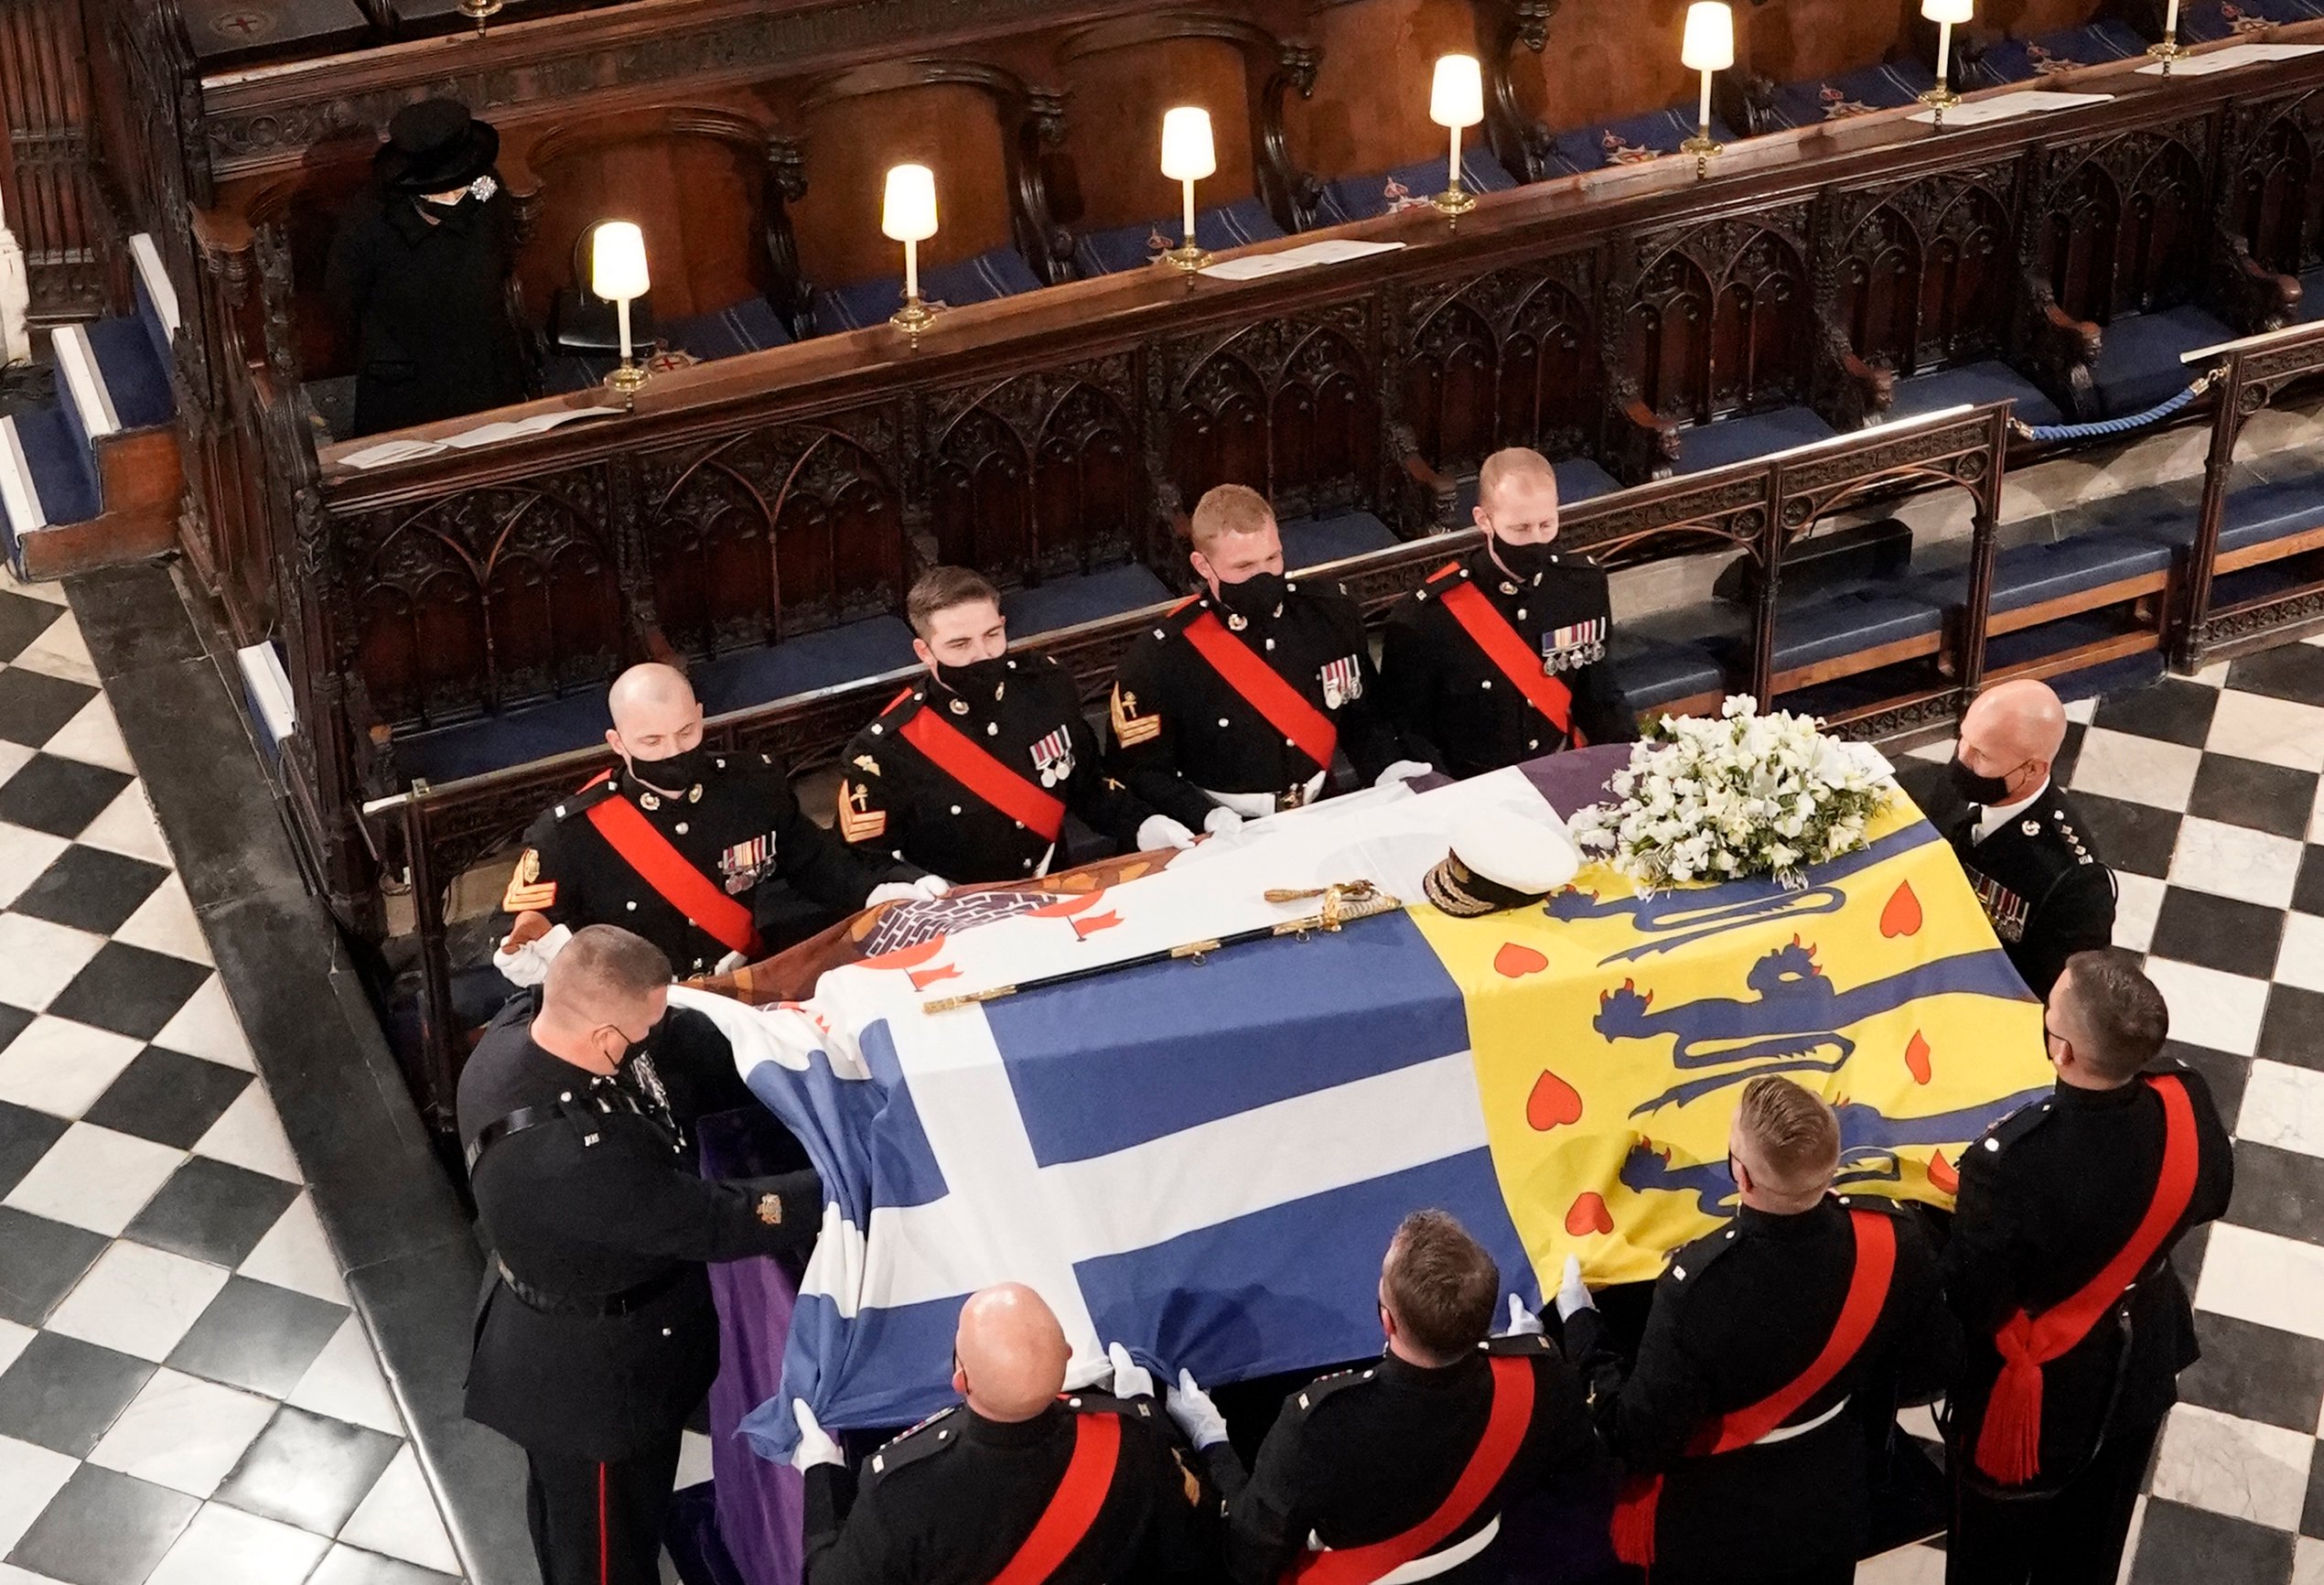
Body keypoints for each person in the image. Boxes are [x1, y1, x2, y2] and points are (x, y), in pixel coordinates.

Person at [459, 925, 822, 1585]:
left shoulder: (525, 1027)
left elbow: (675, 1050)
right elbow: (718, 1222)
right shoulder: (573, 1157)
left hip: (574, 1325)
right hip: (598, 1383)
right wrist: (838, 1184)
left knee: (574, 1521)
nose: (655, 1036)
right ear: (604, 1039)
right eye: (643, 1029)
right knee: (603, 1557)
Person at [1562, 1076, 1953, 1585]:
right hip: (1830, 1504)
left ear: (1740, 1176)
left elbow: (1639, 1436)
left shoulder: (1697, 1290)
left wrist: (1580, 1327)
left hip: (1722, 1529)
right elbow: (1936, 1362)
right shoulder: (1893, 1241)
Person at [1942, 948, 2233, 1585]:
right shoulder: (2184, 1098)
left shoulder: (2010, 1162)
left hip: (2034, 1393)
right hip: (2140, 1358)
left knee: (1991, 1557)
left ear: (2064, 1052)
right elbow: (2212, 1194)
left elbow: (1974, 1299)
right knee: (2090, 1548)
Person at [1169, 1209, 1604, 1585]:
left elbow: (1247, 1557)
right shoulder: (1538, 1380)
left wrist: (1212, 1442)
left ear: (1387, 1322)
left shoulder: (1321, 1426)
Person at [494, 662, 937, 984]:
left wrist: (879, 890)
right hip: (641, 1011)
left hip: (744, 987)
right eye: (651, 740)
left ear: (701, 716)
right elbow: (520, 924)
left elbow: (814, 862)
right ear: (617, 741)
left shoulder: (750, 785)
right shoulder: (572, 833)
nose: (674, 751)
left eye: (686, 732)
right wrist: (527, 953)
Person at [791, 1284, 1215, 1585]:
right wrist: (1159, 1423)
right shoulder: (1132, 1438)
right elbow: (1189, 1555)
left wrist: (822, 1477)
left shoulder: (901, 1489)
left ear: (960, 1377)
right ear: (1068, 1357)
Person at [836, 566, 1196, 882]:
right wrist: (914, 886)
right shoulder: (887, 748)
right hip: (962, 914)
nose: (983, 655)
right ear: (924, 652)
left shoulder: (1046, 687)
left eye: (992, 635)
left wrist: (1144, 824)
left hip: (1056, 889)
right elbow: (864, 859)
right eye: (959, 645)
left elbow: (1086, 784)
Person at [1105, 484, 1426, 832]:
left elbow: (1361, 716)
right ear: (1202, 565)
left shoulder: (1328, 614)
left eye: (1272, 558)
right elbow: (1140, 769)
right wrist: (1201, 815)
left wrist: (1384, 768)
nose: (1264, 576)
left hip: (1323, 809)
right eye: (1243, 566)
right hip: (1226, 828)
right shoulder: (1162, 656)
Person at [1381, 447, 1635, 777]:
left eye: (1547, 524)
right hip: (1474, 788)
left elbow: (1598, 693)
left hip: (1560, 770)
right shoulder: (1428, 616)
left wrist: (1632, 766)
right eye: (1520, 528)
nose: (1537, 540)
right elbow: (1411, 731)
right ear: (1484, 520)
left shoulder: (1581, 585)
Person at [326, 98, 529, 437]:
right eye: (441, 191)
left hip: (483, 364)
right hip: (405, 383)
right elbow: (343, 299)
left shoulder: (487, 192)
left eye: (460, 185)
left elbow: (504, 257)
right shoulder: (368, 221)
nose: (453, 198)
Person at [1938, 678, 2115, 997]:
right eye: (1963, 738)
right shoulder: (1962, 782)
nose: (1962, 758)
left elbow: (2061, 995)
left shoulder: (2074, 880)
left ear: (2033, 769)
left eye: (1981, 755)